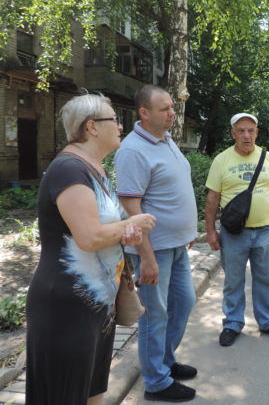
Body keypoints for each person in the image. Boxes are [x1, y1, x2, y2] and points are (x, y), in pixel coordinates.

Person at [26, 93, 156, 405]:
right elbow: (89, 237)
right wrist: (130, 223)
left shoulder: (95, 169)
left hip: (97, 306)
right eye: (115, 119)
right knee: (65, 395)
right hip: (66, 309)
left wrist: (127, 234)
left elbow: (104, 232)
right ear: (92, 127)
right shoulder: (69, 170)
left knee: (92, 391)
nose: (121, 126)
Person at [114, 85, 199, 402]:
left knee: (183, 304)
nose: (172, 113)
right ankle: (156, 382)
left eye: (172, 107)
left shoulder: (165, 140)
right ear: (144, 113)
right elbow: (132, 209)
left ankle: (164, 361)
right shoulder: (133, 150)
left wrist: (185, 230)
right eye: (165, 108)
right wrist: (146, 258)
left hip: (176, 247)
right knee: (154, 315)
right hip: (155, 251)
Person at [205, 113, 269, 347]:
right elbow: (212, 199)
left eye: (250, 130)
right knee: (233, 281)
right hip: (233, 234)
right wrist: (211, 231)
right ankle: (232, 323)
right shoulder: (221, 160)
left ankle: (267, 321)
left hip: (265, 231)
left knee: (265, 279)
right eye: (241, 131)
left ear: (257, 132)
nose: (246, 135)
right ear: (233, 133)